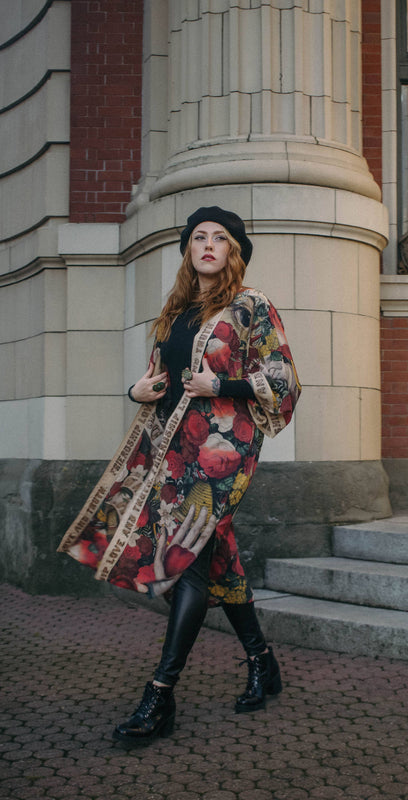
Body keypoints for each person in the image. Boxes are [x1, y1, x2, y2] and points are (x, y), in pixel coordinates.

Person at [57, 206, 301, 744]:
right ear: (189, 250)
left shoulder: (251, 306)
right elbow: (158, 381)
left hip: (222, 454)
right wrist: (136, 392)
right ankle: (262, 661)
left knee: (185, 559)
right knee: (216, 559)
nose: (208, 245)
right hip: (171, 451)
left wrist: (223, 387)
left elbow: (283, 378)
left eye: (220, 238)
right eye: (198, 237)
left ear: (233, 251)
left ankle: (160, 695)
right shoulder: (174, 312)